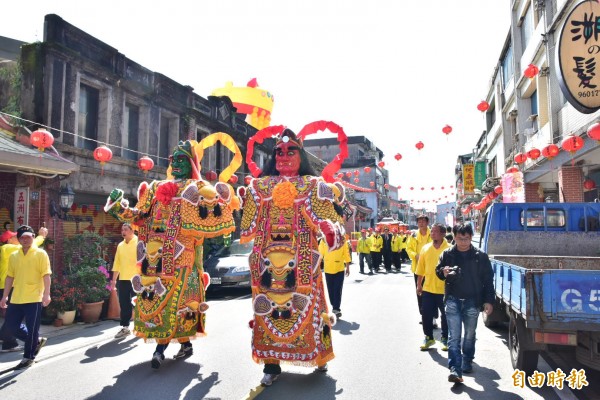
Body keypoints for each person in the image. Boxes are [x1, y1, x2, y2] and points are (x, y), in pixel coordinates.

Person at [105, 138, 239, 369]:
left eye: (181, 160)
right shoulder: (156, 187)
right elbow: (139, 215)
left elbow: (212, 220)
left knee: (177, 303)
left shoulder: (196, 189)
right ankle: (183, 344)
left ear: (190, 163)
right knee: (163, 303)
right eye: (172, 160)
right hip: (154, 260)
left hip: (182, 260)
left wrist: (216, 226)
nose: (176, 164)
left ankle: (161, 349)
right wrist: (118, 205)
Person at [240, 125, 346, 386]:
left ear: (301, 155)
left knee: (309, 312)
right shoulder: (260, 187)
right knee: (267, 314)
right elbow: (247, 229)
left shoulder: (313, 185)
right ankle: (271, 364)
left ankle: (318, 356)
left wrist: (329, 229)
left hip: (302, 264)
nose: (283, 156)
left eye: (290, 151)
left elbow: (332, 221)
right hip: (266, 264)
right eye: (278, 152)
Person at [435, 223, 495, 383]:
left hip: (472, 301)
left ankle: (467, 360)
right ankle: (455, 369)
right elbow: (438, 271)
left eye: (466, 238)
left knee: (469, 335)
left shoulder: (480, 256)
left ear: (471, 237)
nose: (463, 242)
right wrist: (443, 272)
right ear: (454, 237)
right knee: (454, 337)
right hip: (453, 300)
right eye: (460, 238)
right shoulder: (447, 254)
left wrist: (489, 301)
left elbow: (488, 280)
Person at [0, 225, 51, 369]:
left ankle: (28, 357)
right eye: (22, 237)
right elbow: (9, 277)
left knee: (32, 329)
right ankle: (35, 341)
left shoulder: (41, 254)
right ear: (19, 239)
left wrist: (47, 294)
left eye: (28, 236)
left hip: (34, 297)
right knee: (10, 326)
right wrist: (5, 297)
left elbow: (46, 275)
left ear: (33, 237)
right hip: (16, 297)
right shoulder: (14, 255)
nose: (25, 239)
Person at [416, 223, 451, 351]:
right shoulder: (425, 248)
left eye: (435, 231)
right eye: (432, 231)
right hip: (428, 288)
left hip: (444, 290)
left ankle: (445, 339)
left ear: (443, 234)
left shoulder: (450, 248)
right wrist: (419, 285)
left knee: (446, 315)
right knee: (426, 314)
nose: (432, 234)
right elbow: (420, 269)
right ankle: (429, 337)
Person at [110, 223, 139, 339]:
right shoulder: (120, 246)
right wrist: (113, 281)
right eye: (122, 229)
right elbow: (117, 263)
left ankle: (141, 326)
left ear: (132, 231)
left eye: (126, 229)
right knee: (124, 303)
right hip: (123, 279)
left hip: (137, 279)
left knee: (138, 304)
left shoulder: (139, 242)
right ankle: (125, 327)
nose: (123, 231)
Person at [319, 232, 351, 318]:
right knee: (330, 290)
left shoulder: (342, 239)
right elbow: (320, 254)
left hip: (339, 268)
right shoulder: (323, 239)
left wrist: (347, 266)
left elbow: (346, 252)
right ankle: (334, 305)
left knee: (337, 289)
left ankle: (336, 308)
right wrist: (317, 266)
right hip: (328, 269)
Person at [406, 215, 432, 320]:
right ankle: (423, 315)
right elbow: (408, 248)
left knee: (432, 292)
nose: (421, 223)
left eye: (423, 221)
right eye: (419, 221)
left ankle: (433, 316)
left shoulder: (433, 233)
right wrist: (415, 255)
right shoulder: (413, 235)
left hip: (431, 267)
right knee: (420, 291)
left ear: (427, 222)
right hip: (418, 268)